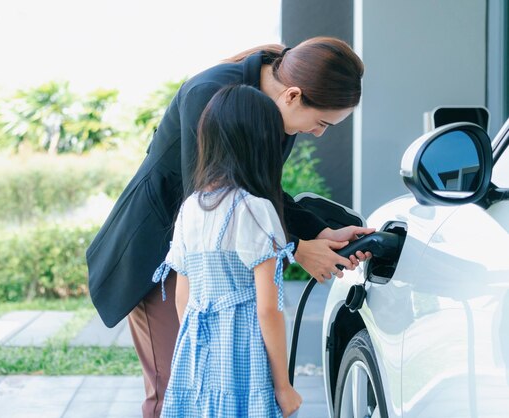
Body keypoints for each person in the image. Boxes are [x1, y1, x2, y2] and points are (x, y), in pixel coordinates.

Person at [85, 36, 373, 418]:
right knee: (176, 391)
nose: (319, 134)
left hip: (210, 259)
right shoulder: (211, 92)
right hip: (162, 255)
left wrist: (318, 233)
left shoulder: (272, 114)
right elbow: (212, 200)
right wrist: (294, 248)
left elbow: (258, 189)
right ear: (292, 96)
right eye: (321, 122)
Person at [152, 84, 303, 417]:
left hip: (195, 351)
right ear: (261, 143)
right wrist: (283, 385)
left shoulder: (191, 207)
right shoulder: (255, 210)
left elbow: (183, 297)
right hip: (243, 351)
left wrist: (201, 343)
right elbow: (268, 308)